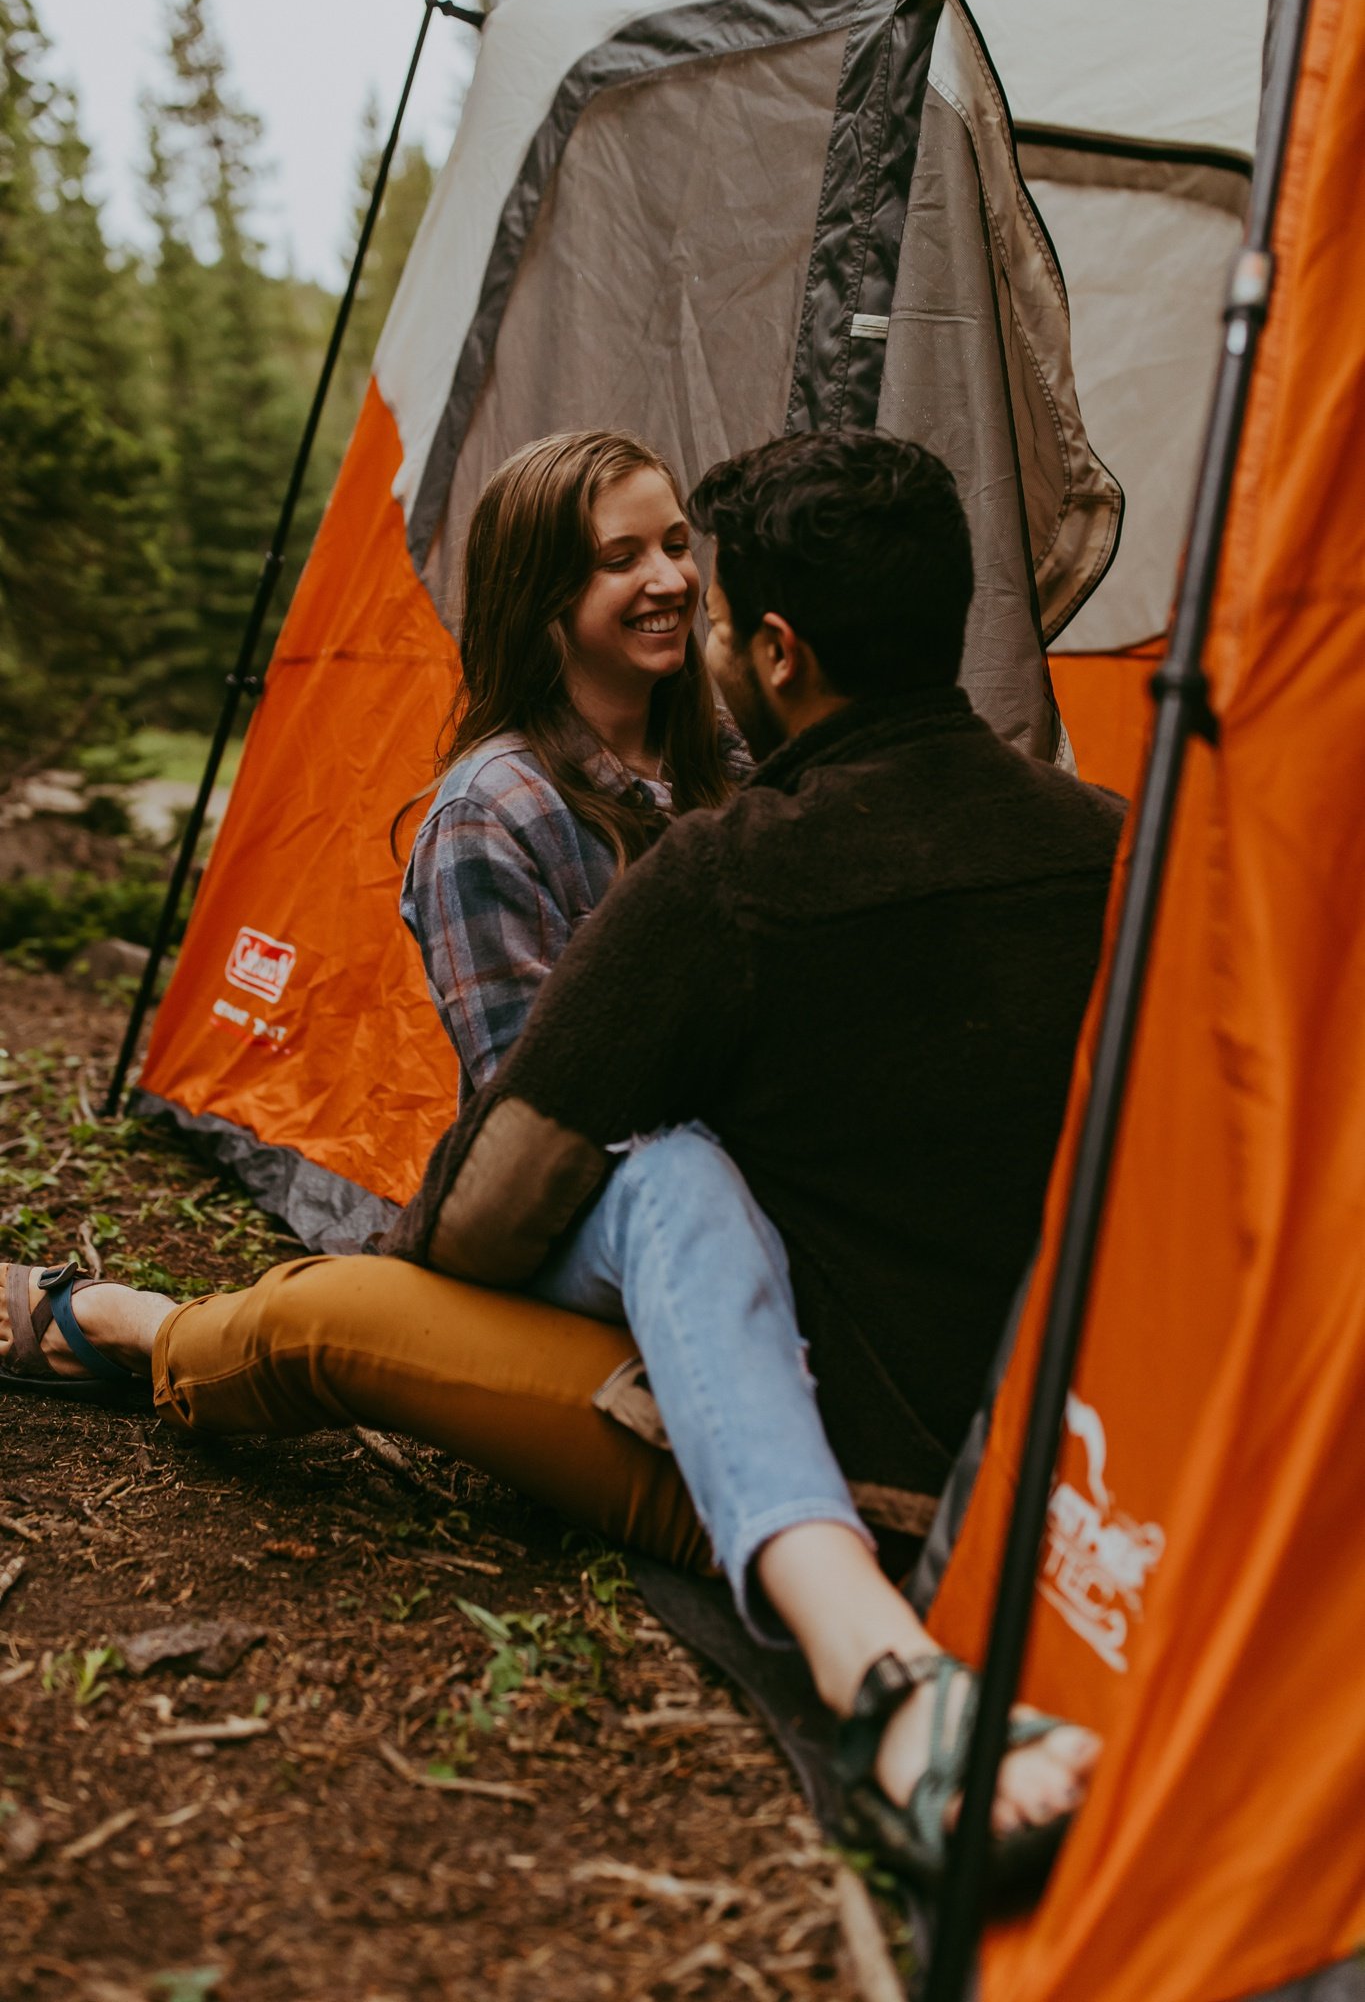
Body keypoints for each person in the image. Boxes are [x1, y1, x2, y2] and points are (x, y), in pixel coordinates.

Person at [1, 432, 1122, 1893]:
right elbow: (530, 1140)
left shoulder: (736, 818)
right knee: (655, 1173)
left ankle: (872, 1672)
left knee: (380, 1297)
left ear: (775, 651)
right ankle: (115, 1323)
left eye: (689, 568)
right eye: (629, 559)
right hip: (636, 1235)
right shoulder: (528, 811)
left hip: (803, 1350)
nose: (671, 588)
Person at [397, 427, 749, 1098]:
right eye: (621, 560)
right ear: (541, 592)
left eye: (676, 546)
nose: (671, 580)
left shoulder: (733, 756)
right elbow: (532, 1104)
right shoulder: (492, 813)